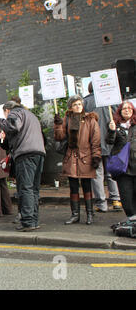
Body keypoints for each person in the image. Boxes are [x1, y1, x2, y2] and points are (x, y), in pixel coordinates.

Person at [0, 101, 45, 231]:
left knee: (25, 188)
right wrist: (3, 139)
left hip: (25, 154)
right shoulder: (31, 115)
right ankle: (33, 220)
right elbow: (13, 137)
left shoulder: (15, 113)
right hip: (38, 153)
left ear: (7, 110)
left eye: (5, 115)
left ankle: (27, 221)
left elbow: (13, 126)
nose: (6, 118)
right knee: (33, 189)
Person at [54, 95, 101, 225]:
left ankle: (90, 214)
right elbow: (59, 137)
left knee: (87, 187)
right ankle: (75, 215)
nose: (78, 106)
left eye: (79, 104)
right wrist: (58, 125)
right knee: (73, 188)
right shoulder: (67, 119)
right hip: (71, 158)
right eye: (75, 104)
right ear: (71, 107)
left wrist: (96, 156)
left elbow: (95, 141)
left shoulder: (90, 120)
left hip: (85, 157)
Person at [83, 82, 122, 212]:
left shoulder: (86, 102)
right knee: (111, 172)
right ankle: (116, 200)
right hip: (111, 142)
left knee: (97, 174)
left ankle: (101, 204)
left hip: (94, 143)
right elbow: (120, 117)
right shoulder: (111, 99)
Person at [106, 101, 136, 219]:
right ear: (120, 112)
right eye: (124, 109)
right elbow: (109, 141)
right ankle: (132, 218)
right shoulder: (115, 125)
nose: (127, 110)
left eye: (129, 108)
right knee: (126, 196)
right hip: (123, 168)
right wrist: (112, 130)